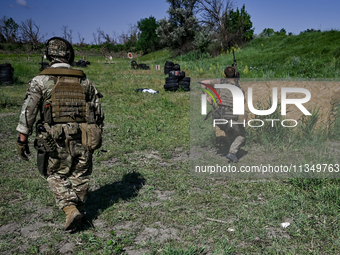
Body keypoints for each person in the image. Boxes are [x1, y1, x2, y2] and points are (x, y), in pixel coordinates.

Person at [16, 37, 104, 230]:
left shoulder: (40, 81)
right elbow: (98, 112)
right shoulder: (85, 80)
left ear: (49, 55)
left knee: (53, 172)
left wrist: (22, 140)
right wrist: (96, 134)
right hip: (83, 136)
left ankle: (70, 208)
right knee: (81, 173)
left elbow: (28, 113)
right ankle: (77, 209)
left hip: (54, 138)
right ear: (69, 54)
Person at [201, 66, 245, 163]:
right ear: (236, 75)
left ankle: (231, 150)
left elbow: (203, 83)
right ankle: (232, 153)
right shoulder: (239, 90)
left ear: (224, 75)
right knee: (241, 134)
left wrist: (207, 96)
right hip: (228, 116)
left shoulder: (219, 82)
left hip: (217, 116)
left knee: (228, 129)